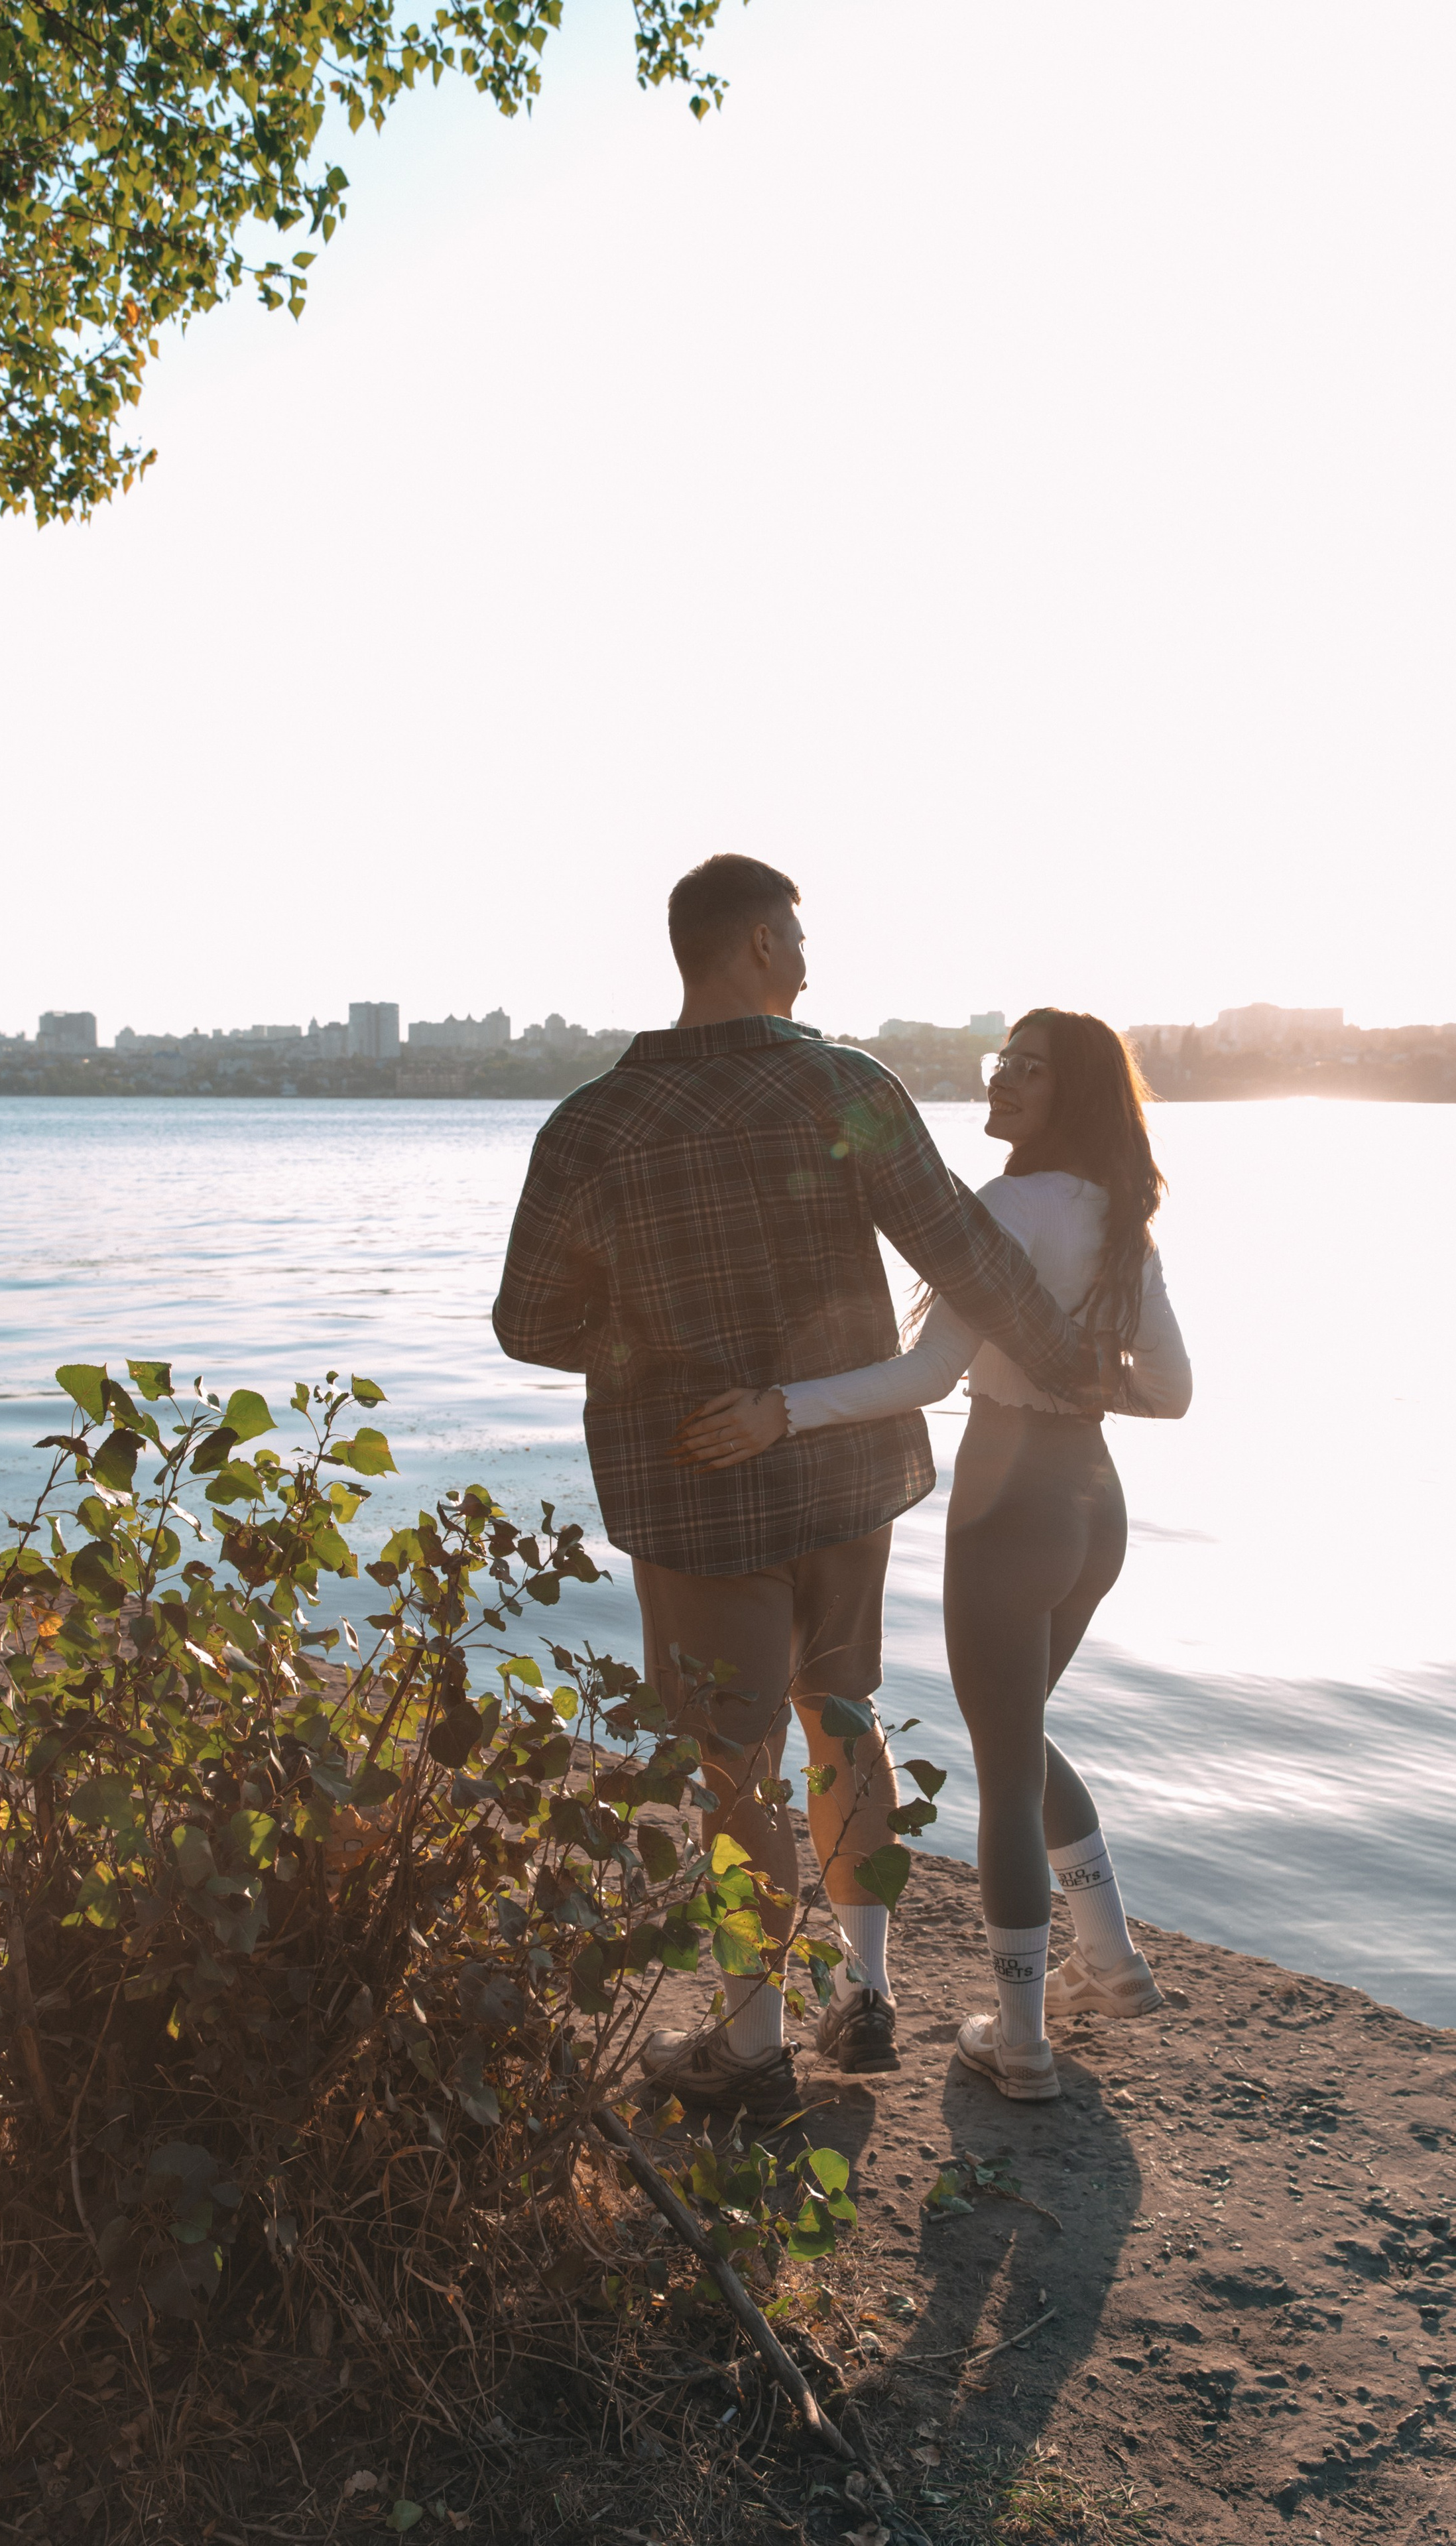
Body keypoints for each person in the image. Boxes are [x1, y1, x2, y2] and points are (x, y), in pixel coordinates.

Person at [492, 862, 1109, 2116]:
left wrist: (659, 1367)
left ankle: (753, 2045)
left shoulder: (591, 1127)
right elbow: (968, 1254)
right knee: (843, 1710)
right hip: (842, 1475)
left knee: (735, 1769)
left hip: (698, 1490)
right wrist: (1080, 1378)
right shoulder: (843, 1083)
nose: (813, 967)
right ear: (763, 942)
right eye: (802, 941)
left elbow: (527, 1322)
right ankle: (866, 1989)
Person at [676, 1008, 1190, 2103]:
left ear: (1074, 1093)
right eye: (1000, 1061)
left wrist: (782, 1410)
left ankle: (1022, 2044)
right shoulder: (1118, 1217)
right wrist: (1087, 1380)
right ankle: (1112, 1965)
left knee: (1005, 1767)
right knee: (1022, 1734)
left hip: (1010, 1510)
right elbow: (1172, 1392)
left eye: (1028, 1069)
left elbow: (922, 1376)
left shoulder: (1004, 1206)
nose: (1000, 1080)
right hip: (1097, 1506)